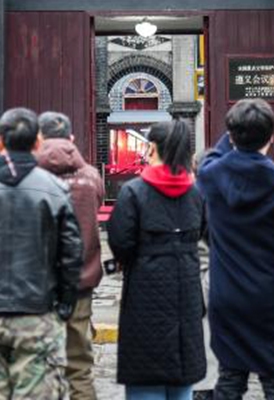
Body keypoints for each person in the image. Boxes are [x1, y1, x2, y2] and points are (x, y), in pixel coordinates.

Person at [0, 107, 83, 399]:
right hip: (37, 312)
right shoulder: (55, 189)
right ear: (37, 143)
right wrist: (65, 302)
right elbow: (71, 253)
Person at [197, 99, 274, 400]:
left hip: (227, 295)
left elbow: (214, 156)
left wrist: (233, 136)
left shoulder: (211, 177)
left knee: (229, 378)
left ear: (231, 135)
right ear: (272, 137)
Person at [107, 119, 207, 400]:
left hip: (144, 294)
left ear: (151, 149)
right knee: (181, 381)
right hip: (186, 293)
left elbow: (121, 243)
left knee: (145, 383)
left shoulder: (134, 192)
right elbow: (204, 231)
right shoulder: (197, 193)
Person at [36, 111, 105, 400]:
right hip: (80, 282)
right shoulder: (91, 177)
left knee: (38, 367)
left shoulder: (30, 176)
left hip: (38, 287)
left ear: (39, 139)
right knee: (79, 368)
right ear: (72, 139)